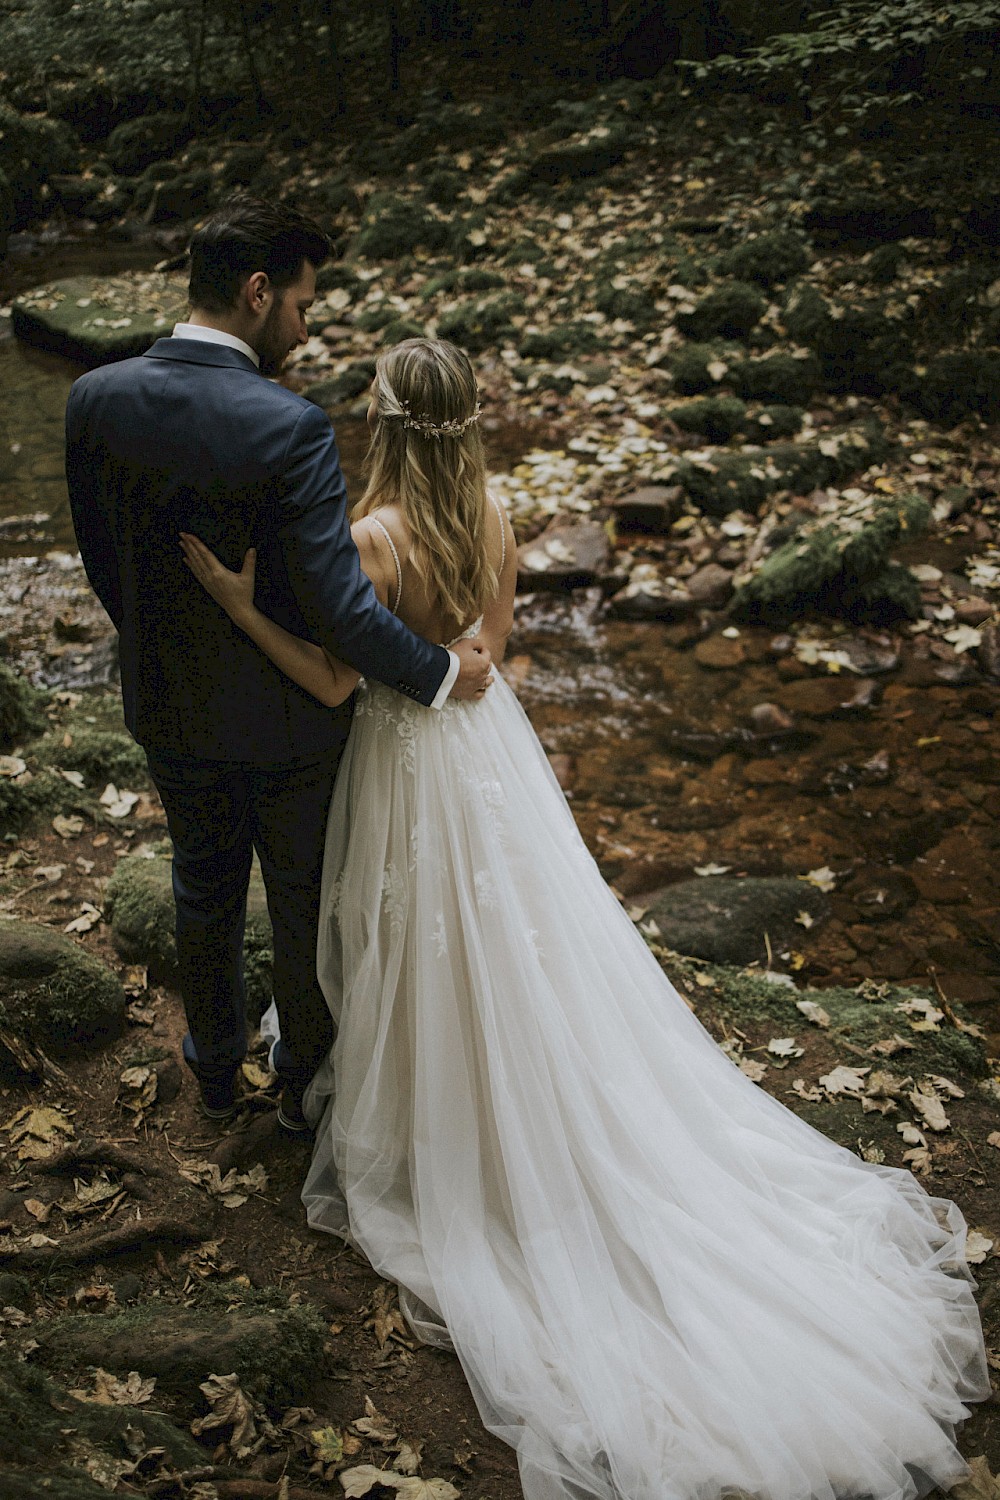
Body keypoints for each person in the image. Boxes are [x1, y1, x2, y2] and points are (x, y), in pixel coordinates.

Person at [180, 337, 989, 1500]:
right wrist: (450, 664)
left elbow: (333, 681)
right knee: (513, 946)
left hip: (406, 773)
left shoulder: (373, 539)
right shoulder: (495, 523)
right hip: (483, 764)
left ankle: (439, 1126)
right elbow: (486, 663)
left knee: (415, 942)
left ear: (387, 426)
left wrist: (237, 605)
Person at [64, 199, 492, 1133]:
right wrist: (443, 673)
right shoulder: (289, 424)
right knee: (305, 907)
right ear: (257, 294)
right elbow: (341, 610)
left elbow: (108, 568)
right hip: (294, 723)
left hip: (168, 708)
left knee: (200, 887)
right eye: (301, 305)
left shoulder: (93, 399)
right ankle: (301, 1081)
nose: (305, 327)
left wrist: (167, 650)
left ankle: (214, 1074)